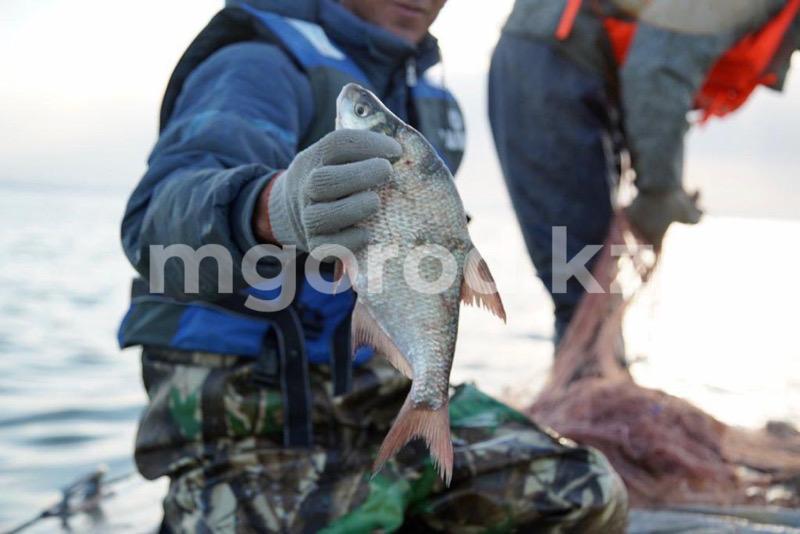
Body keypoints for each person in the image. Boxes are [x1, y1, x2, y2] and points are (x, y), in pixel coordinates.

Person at [119, 0, 628, 531]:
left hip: (373, 392)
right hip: (248, 413)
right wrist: (273, 207)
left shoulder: (421, 90)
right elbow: (155, 221)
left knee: (587, 493)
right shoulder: (257, 66)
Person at [489, 0, 799, 346]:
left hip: (593, 72)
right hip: (550, 59)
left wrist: (663, 186)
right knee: (583, 283)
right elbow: (658, 69)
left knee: (592, 287)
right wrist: (660, 192)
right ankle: (585, 390)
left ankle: (592, 383)